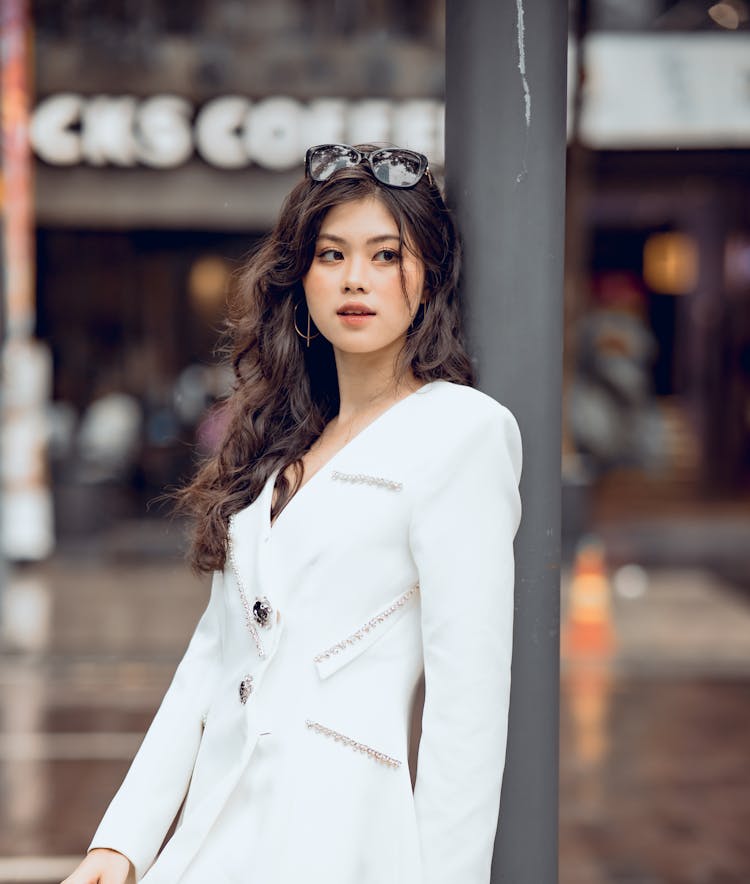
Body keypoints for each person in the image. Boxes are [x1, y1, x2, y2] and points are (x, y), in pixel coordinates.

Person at [63, 143, 523, 884]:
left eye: (385, 255)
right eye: (331, 254)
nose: (355, 280)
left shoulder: (462, 433)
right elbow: (213, 658)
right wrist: (122, 841)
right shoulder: (280, 442)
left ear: (428, 276)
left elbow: (467, 707)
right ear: (300, 275)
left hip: (338, 834)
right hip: (216, 829)